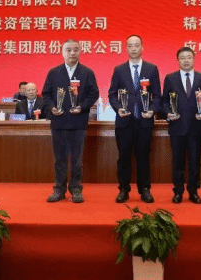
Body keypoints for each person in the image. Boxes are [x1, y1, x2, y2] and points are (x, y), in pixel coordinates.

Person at [42, 39, 99, 204]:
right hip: (59, 121)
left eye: (75, 50)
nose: (72, 53)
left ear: (80, 52)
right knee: (59, 159)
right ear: (62, 52)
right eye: (68, 50)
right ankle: (59, 189)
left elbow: (93, 94)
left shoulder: (87, 72)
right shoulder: (54, 72)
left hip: (78, 122)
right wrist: (52, 107)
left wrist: (82, 107)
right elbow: (46, 94)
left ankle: (76, 189)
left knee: (76, 159)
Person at [108, 35, 162, 203]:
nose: (133, 48)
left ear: (142, 48)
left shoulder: (151, 69)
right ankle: (123, 189)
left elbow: (157, 95)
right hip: (124, 121)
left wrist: (152, 110)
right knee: (124, 156)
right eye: (130, 46)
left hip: (144, 120)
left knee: (143, 156)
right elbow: (112, 94)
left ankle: (145, 189)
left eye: (136, 45)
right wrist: (118, 108)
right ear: (126, 48)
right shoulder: (119, 69)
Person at [162, 47, 201, 204]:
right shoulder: (170, 78)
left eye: (189, 57)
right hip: (177, 126)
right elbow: (164, 101)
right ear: (178, 60)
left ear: (194, 59)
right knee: (177, 162)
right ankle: (178, 192)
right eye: (183, 58)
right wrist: (168, 113)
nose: (186, 60)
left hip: (196, 126)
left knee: (194, 161)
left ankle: (193, 191)